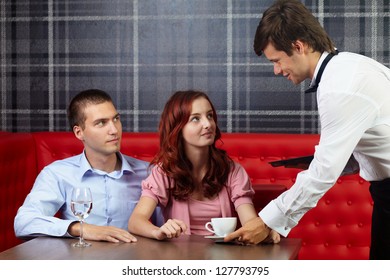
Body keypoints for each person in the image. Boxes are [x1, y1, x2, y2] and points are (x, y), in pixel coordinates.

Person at [224, 0, 390, 259]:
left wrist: (267, 221)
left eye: (277, 60)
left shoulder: (339, 88)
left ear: (298, 46)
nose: (277, 70)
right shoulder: (349, 65)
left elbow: (323, 173)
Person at [128, 90, 280, 243]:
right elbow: (135, 221)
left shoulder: (233, 171)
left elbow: (249, 222)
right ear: (178, 128)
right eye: (195, 119)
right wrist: (158, 231)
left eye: (209, 116)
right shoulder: (164, 172)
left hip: (223, 258)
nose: (208, 124)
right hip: (179, 259)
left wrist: (263, 232)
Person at [14, 89, 163, 243]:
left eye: (116, 119)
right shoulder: (57, 173)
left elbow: (166, 227)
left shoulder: (150, 172)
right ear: (79, 133)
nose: (114, 130)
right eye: (101, 123)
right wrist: (83, 229)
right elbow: (24, 223)